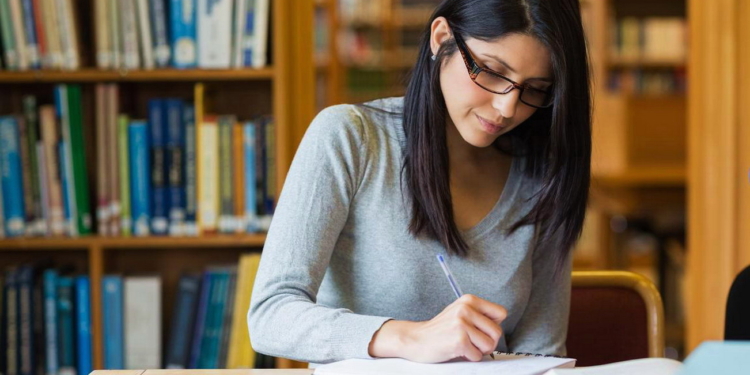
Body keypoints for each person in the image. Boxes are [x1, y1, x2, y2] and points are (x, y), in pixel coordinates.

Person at [249, 0, 591, 365]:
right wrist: (407, 337)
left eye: (535, 89)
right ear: (441, 37)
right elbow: (271, 315)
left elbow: (541, 355)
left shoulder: (542, 176)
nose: (507, 108)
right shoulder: (351, 138)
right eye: (491, 72)